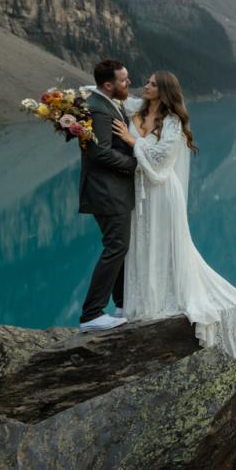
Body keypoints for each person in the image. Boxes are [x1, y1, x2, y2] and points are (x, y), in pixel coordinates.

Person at [111, 70, 236, 368]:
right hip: (139, 191)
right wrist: (65, 103)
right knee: (140, 243)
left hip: (162, 192)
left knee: (162, 243)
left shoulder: (172, 123)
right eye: (146, 82)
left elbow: (163, 159)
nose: (144, 86)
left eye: (150, 83)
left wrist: (132, 142)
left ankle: (161, 298)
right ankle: (142, 301)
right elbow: (99, 95)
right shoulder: (134, 108)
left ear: (163, 91)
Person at [77, 59, 136, 332]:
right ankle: (92, 314)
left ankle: (122, 304)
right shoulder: (99, 110)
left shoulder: (105, 102)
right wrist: (134, 164)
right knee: (116, 247)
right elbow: (98, 152)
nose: (129, 83)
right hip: (107, 191)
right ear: (108, 85)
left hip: (111, 190)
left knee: (118, 247)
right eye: (124, 80)